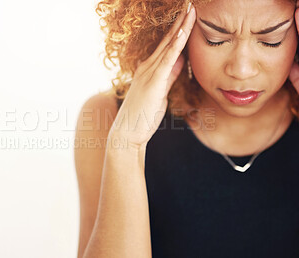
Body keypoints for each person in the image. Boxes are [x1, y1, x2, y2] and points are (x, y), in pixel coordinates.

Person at [74, 0, 299, 257]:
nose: (241, 70)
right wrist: (127, 146)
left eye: (272, 39)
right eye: (215, 38)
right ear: (173, 23)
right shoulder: (110, 117)